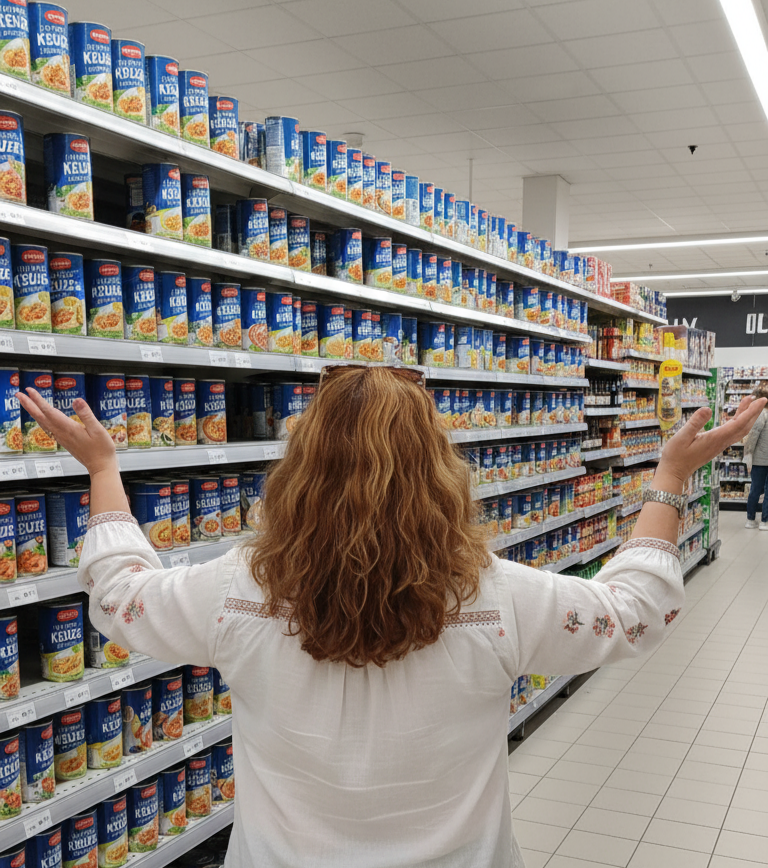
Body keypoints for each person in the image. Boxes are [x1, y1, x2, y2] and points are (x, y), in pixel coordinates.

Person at [17, 367, 766, 868]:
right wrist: (668, 479)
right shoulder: (491, 595)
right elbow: (630, 615)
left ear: (299, 471)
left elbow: (122, 598)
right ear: (439, 469)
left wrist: (105, 471)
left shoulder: (239, 592)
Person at [744, 382, 768, 529]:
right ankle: (765, 521)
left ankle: (751, 519)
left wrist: (748, 456)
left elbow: (752, 437)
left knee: (755, 489)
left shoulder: (761, 415)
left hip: (759, 460)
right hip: (761, 459)